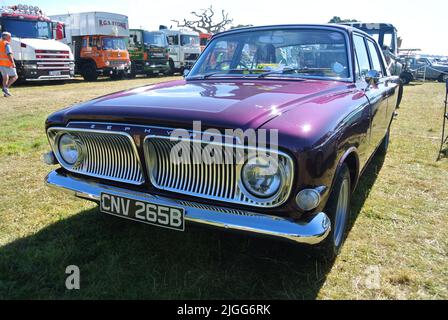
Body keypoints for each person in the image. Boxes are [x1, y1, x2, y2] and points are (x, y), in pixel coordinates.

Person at [0, 32, 18, 97]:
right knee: (15, 76)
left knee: (5, 77)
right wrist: (13, 63)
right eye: (9, 37)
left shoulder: (0, 43)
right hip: (7, 63)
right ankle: (5, 88)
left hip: (1, 64)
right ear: (5, 37)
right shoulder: (6, 44)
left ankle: (6, 93)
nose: (10, 38)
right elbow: (9, 54)